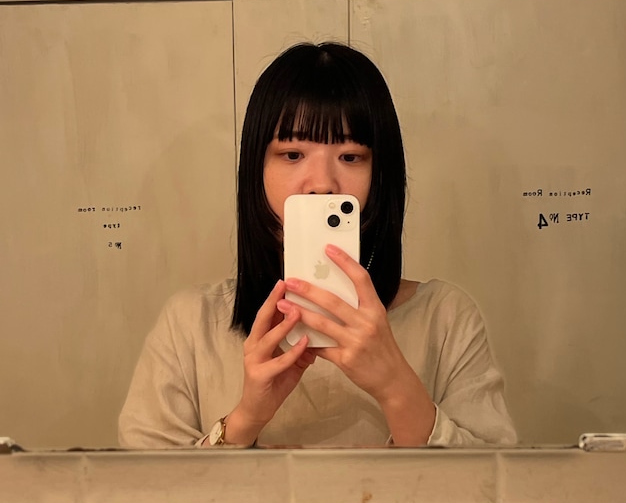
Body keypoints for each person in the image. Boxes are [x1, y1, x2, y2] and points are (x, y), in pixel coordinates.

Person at [118, 42, 516, 448]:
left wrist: (397, 387)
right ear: (256, 170)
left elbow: (496, 480)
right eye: (293, 154)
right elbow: (143, 484)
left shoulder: (445, 319)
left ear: (381, 174)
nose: (322, 183)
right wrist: (246, 419)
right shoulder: (191, 324)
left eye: (351, 157)